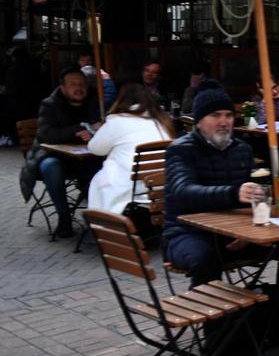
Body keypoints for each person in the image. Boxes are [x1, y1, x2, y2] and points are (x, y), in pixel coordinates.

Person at [163, 81, 267, 288]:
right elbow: (183, 191)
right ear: (198, 121)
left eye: (228, 115)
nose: (224, 122)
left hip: (234, 232)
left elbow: (254, 198)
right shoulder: (181, 150)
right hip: (187, 232)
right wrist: (233, 193)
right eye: (215, 115)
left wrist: (250, 231)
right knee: (205, 258)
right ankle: (214, 320)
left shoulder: (242, 149)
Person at [22, 67, 102, 238]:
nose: (78, 88)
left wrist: (94, 131)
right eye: (73, 84)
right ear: (63, 88)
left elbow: (100, 125)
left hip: (85, 157)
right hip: (52, 155)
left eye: (82, 84)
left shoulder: (95, 100)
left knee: (105, 165)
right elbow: (46, 135)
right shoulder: (49, 104)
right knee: (51, 167)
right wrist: (78, 129)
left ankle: (100, 215)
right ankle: (64, 217)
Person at [86, 84, 174, 214]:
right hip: (160, 188)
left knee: (101, 178)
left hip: (130, 191)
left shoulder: (118, 121)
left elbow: (95, 149)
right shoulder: (161, 121)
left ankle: (103, 224)